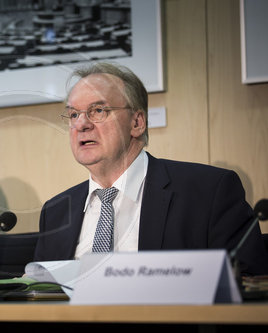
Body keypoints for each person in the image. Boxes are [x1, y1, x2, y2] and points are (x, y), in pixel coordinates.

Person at [33, 62, 268, 276]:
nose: (82, 124)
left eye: (98, 111)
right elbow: (40, 296)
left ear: (137, 123)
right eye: (74, 114)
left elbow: (248, 282)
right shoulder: (56, 212)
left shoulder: (208, 192)